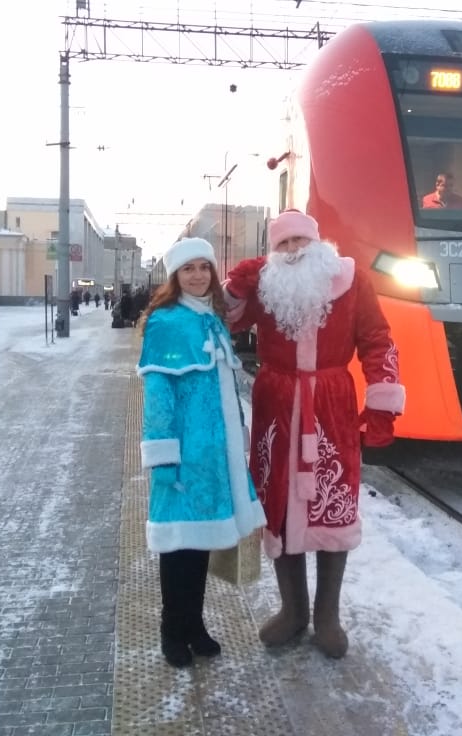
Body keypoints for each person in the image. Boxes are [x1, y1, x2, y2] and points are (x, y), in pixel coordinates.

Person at [223, 209, 404, 658]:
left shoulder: (350, 279)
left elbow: (378, 340)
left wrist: (381, 405)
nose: (292, 251)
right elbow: (224, 323)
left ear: (317, 242)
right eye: (283, 244)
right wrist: (234, 290)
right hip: (276, 406)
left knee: (333, 510)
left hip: (331, 408)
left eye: (300, 241)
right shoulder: (265, 283)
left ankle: (327, 617)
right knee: (280, 508)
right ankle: (294, 611)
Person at [136, 237, 266, 668]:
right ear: (174, 276)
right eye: (188, 268)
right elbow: (158, 392)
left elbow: (226, 389)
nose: (197, 275)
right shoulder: (165, 321)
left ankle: (194, 625)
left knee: (201, 543)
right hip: (183, 453)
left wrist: (238, 435)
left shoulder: (213, 320)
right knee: (178, 547)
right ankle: (171, 629)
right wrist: (163, 453)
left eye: (204, 267)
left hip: (215, 453)